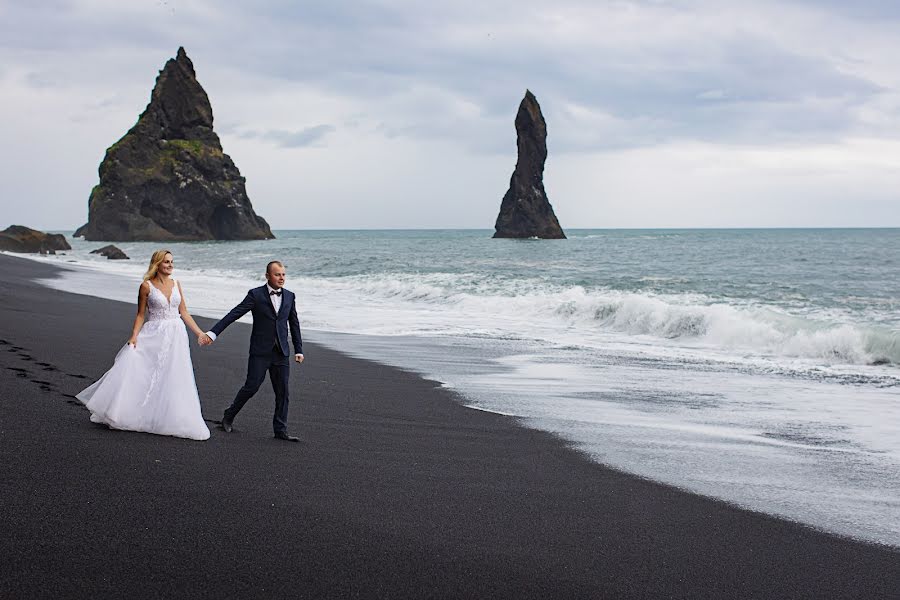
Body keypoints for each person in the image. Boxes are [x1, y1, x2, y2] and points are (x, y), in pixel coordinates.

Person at [77, 250, 211, 440]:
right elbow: (140, 314)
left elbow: (184, 312)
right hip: (154, 333)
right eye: (166, 262)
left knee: (173, 374)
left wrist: (199, 333)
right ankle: (132, 411)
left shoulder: (176, 284)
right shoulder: (146, 286)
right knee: (146, 373)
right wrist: (134, 336)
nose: (170, 265)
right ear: (157, 264)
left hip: (176, 334)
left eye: (172, 262)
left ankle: (168, 416)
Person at [200, 260, 304, 442]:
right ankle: (229, 416)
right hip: (260, 352)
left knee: (283, 392)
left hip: (281, 353)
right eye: (277, 274)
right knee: (252, 386)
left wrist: (299, 349)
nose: (281, 278)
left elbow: (294, 324)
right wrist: (212, 333)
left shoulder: (289, 296)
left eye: (283, 274)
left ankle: (280, 430)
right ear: (267, 276)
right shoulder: (255, 295)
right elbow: (234, 314)